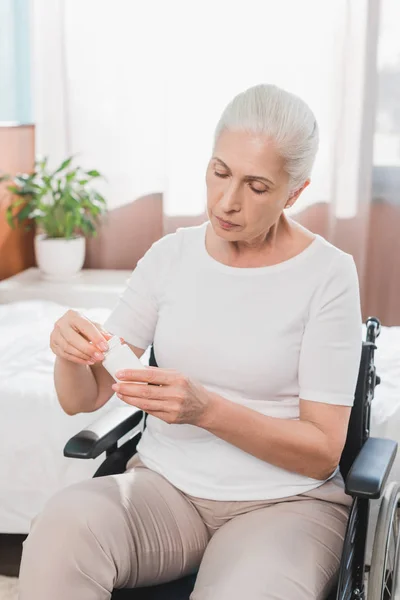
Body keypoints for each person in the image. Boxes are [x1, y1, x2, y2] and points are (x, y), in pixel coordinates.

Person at [19, 83, 362, 600]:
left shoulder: (328, 275)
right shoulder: (170, 257)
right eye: (220, 172)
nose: (227, 201)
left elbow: (320, 452)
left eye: (257, 186)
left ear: (295, 191)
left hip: (285, 504)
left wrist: (205, 410)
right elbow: (82, 397)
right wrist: (69, 352)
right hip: (166, 490)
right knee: (59, 530)